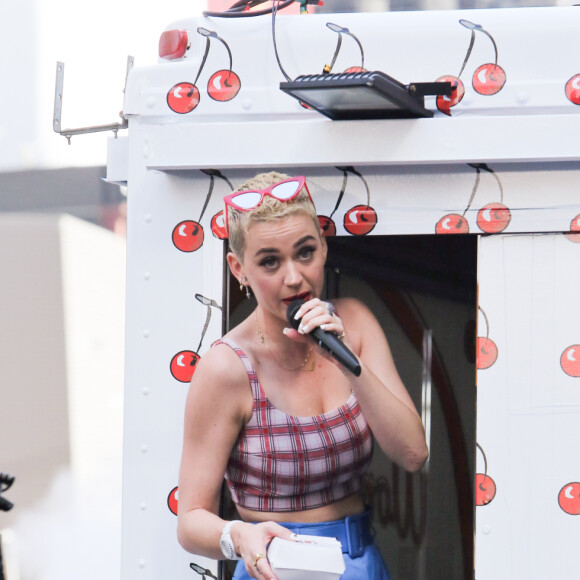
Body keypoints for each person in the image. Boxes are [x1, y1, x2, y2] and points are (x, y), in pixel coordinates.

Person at [177, 172, 429, 580]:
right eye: (270, 262)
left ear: (324, 249)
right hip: (277, 568)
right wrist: (238, 535)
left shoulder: (356, 324)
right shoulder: (227, 367)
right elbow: (189, 520)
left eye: (305, 253)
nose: (293, 277)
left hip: (359, 560)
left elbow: (413, 454)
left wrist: (345, 359)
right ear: (239, 268)